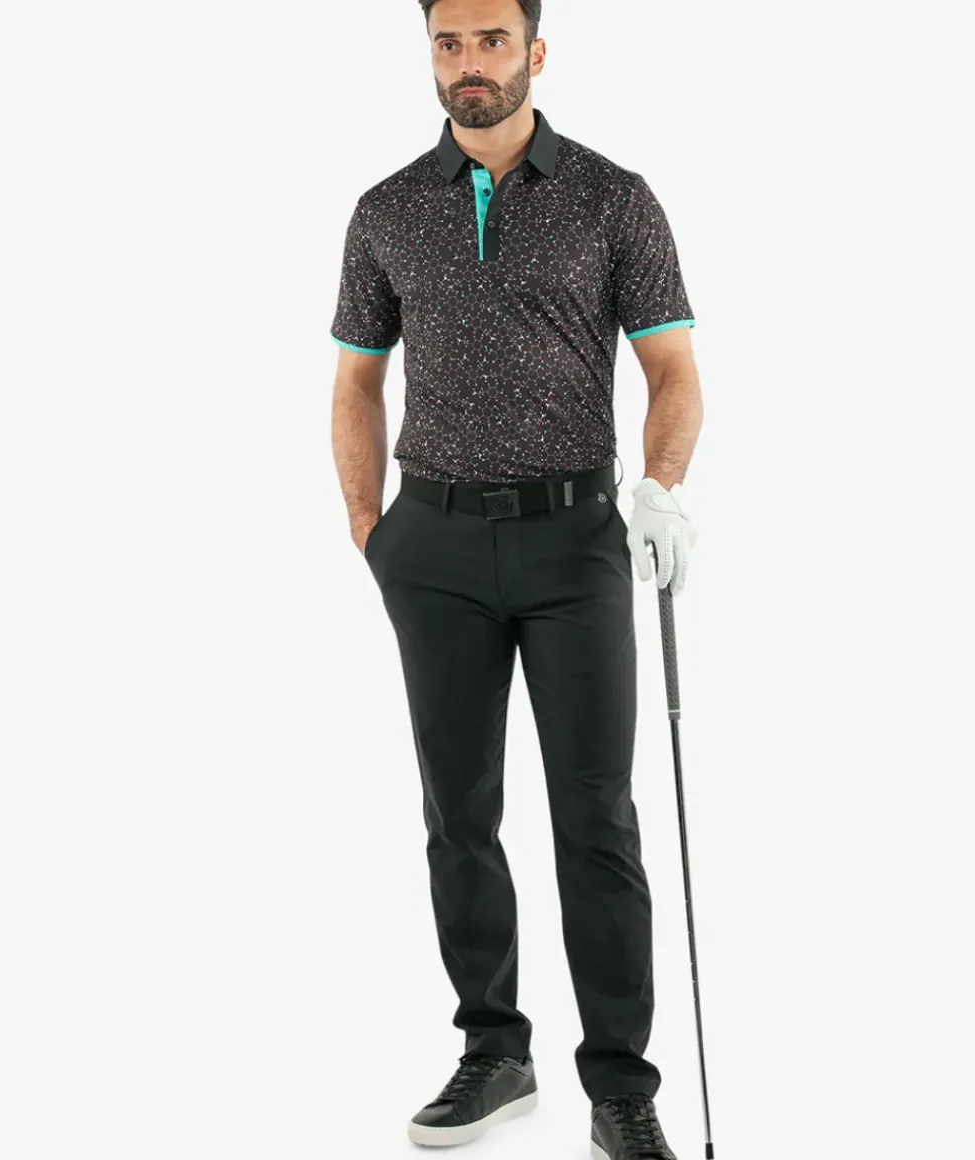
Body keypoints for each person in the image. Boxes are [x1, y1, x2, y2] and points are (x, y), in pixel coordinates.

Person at [329, 1, 702, 1156]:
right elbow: (355, 381)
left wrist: (660, 486)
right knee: (458, 812)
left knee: (596, 818)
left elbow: (672, 369)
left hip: (574, 541)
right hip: (432, 546)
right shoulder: (387, 210)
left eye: (491, 40)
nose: (469, 63)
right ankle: (493, 1049)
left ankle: (619, 1087)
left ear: (533, 52)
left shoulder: (610, 198)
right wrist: (371, 530)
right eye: (448, 43)